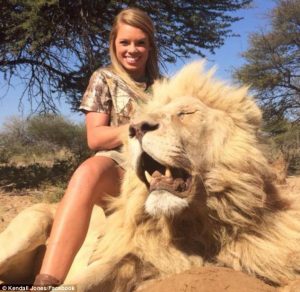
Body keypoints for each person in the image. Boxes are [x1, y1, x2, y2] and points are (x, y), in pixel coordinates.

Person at [33, 7, 160, 287]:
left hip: (156, 165)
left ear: (150, 45)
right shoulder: (103, 79)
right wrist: (136, 128)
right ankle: (45, 283)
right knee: (87, 172)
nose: (133, 49)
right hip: (118, 163)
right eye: (125, 42)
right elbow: (96, 138)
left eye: (140, 42)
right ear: (114, 44)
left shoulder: (165, 87)